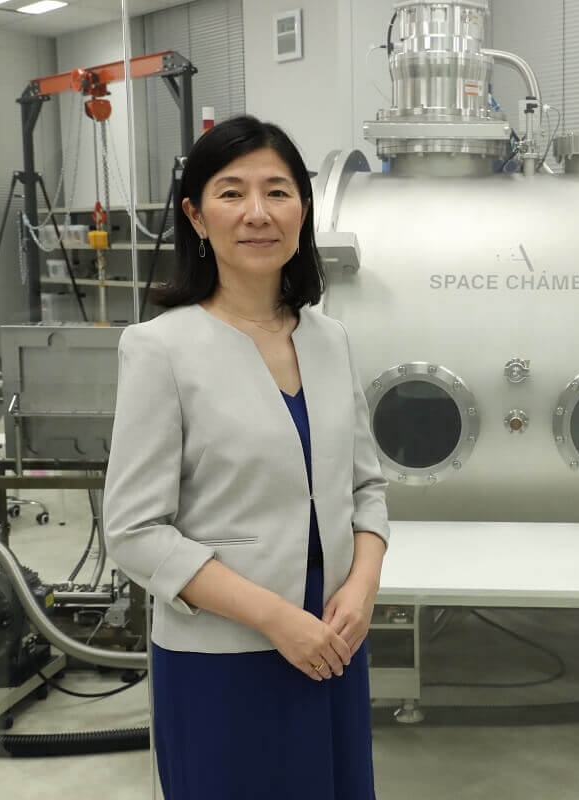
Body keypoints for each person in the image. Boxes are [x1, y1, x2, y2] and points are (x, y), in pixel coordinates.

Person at [102, 115, 389, 800]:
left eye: (277, 191)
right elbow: (135, 532)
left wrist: (361, 589)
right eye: (231, 193)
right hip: (225, 661)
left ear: (304, 210)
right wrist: (276, 618)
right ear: (195, 217)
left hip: (334, 646)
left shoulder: (330, 340)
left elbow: (367, 488)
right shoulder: (160, 348)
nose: (257, 213)